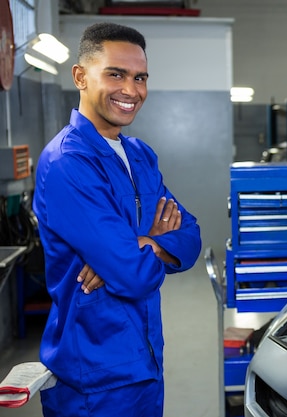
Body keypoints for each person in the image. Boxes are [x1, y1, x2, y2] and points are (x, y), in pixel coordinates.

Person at [32, 22, 202, 416]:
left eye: (140, 77)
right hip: (94, 374)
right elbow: (133, 275)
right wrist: (140, 250)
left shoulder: (139, 155)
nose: (131, 90)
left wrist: (146, 245)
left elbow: (190, 237)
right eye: (116, 74)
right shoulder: (68, 162)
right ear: (80, 76)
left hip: (144, 359)